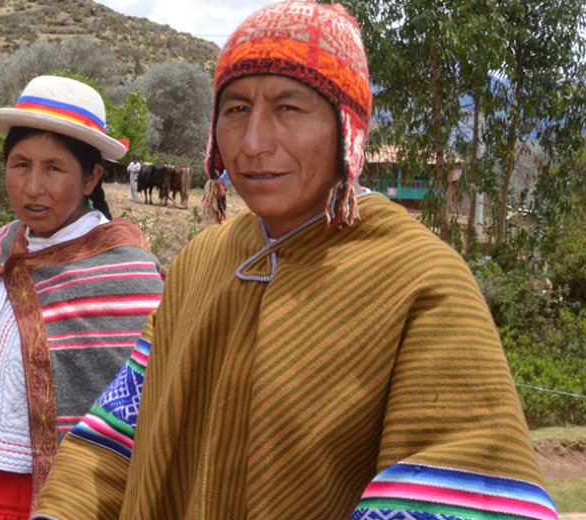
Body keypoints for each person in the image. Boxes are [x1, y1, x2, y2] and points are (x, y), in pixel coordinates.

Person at [34, 2, 558, 518]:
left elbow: (458, 486)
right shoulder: (203, 261)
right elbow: (116, 438)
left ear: (345, 129)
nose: (255, 142)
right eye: (236, 110)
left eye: (288, 108)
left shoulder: (420, 282)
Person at [0, 76, 164, 519]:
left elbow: (143, 420)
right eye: (21, 164)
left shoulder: (127, 278)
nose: (32, 187)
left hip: (40, 506)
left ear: (91, 178)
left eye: (54, 168)